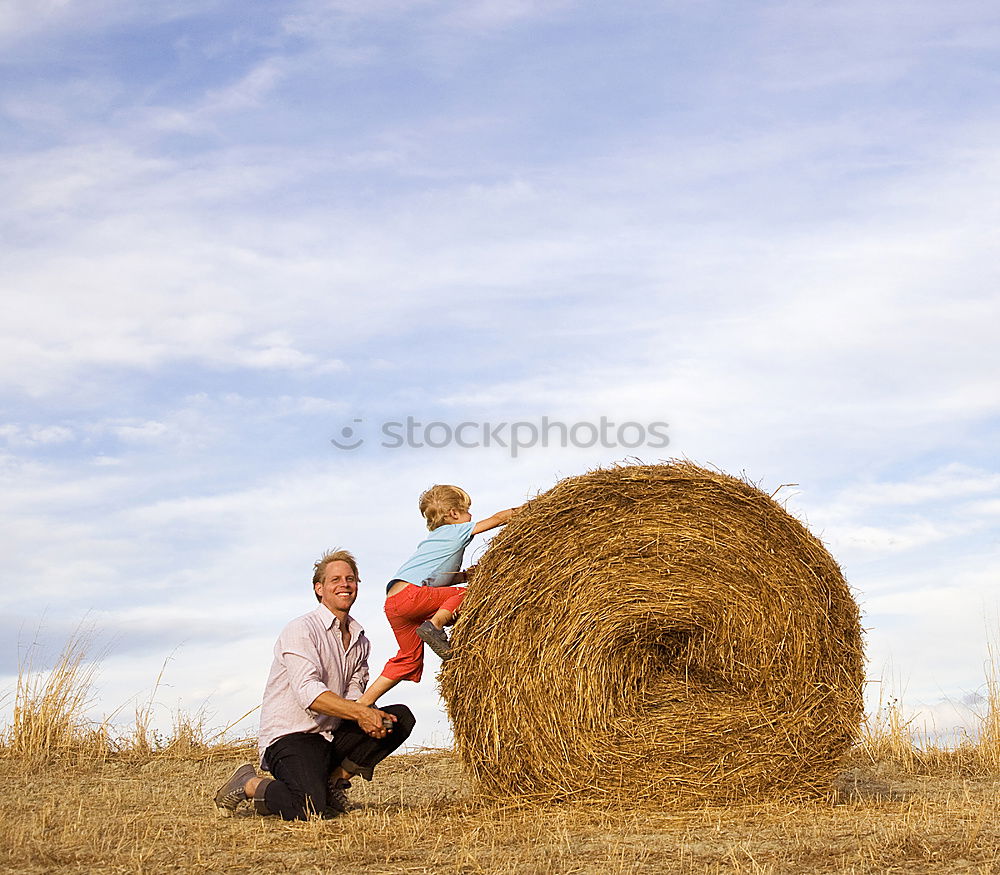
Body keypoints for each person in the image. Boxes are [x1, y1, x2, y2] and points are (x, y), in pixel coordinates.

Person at [213, 549, 414, 819]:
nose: (345, 584)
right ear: (319, 589)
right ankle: (249, 783)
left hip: (330, 734)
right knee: (309, 808)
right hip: (291, 737)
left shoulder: (360, 639)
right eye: (335, 580)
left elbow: (356, 694)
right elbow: (309, 694)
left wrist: (371, 715)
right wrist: (361, 713)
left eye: (350, 579)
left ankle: (334, 782)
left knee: (398, 718)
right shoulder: (301, 629)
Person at [358, 485, 521, 706]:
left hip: (395, 602)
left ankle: (363, 703)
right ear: (453, 514)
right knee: (468, 595)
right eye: (467, 511)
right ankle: (435, 625)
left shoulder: (434, 540)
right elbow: (499, 518)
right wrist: (534, 508)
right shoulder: (455, 530)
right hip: (412, 596)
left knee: (409, 660)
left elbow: (438, 578)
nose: (470, 516)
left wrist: (464, 575)